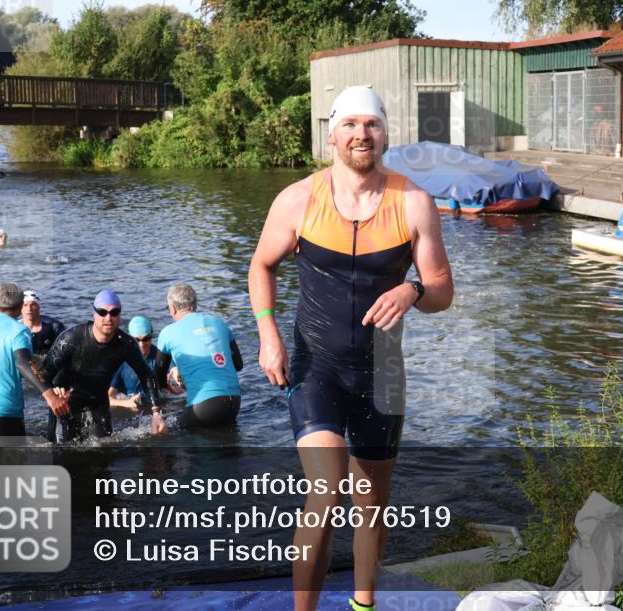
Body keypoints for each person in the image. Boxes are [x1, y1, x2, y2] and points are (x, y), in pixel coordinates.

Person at [248, 85, 454, 611]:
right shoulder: (299, 199)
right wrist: (269, 336)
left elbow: (442, 290)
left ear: (385, 133)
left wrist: (412, 290)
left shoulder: (413, 202)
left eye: (372, 125)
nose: (361, 135)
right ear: (332, 134)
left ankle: (364, 606)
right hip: (316, 367)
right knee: (327, 489)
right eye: (350, 125)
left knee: (372, 504)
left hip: (382, 373)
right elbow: (261, 266)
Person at [41, 289, 167, 441]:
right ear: (94, 314)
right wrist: (53, 393)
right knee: (61, 453)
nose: (108, 317)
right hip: (65, 402)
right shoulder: (71, 339)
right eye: (102, 312)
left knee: (103, 453)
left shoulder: (125, 344)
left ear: (120, 317)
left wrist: (156, 413)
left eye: (114, 312)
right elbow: (43, 374)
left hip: (98, 403)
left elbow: (146, 375)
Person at [0, 282, 71, 436]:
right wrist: (51, 397)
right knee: (12, 460)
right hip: (4, 413)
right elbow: (23, 363)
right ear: (21, 305)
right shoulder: (19, 330)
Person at [154, 283, 242, 430]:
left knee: (171, 438)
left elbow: (158, 377)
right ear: (194, 305)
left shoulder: (167, 332)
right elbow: (238, 364)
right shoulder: (219, 322)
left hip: (205, 405)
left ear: (172, 308)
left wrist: (167, 386)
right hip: (234, 401)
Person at [108, 316, 158, 416]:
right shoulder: (121, 361)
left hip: (153, 405)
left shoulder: (159, 355)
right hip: (128, 405)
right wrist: (126, 403)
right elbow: (107, 398)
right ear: (129, 339)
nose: (141, 344)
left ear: (152, 336)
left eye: (146, 339)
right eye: (137, 340)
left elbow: (175, 372)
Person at [19, 289, 65, 364]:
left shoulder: (54, 326)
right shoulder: (15, 329)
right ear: (20, 308)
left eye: (33, 305)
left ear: (39, 307)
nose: (29, 309)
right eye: (25, 305)